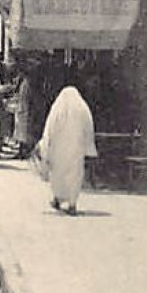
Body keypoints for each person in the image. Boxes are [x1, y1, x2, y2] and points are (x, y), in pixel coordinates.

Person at [38, 86, 97, 215]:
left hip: (59, 148)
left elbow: (49, 127)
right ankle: (72, 204)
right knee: (75, 174)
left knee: (58, 174)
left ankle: (57, 198)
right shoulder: (82, 108)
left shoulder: (58, 108)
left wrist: (45, 145)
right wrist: (89, 147)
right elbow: (89, 128)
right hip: (76, 148)